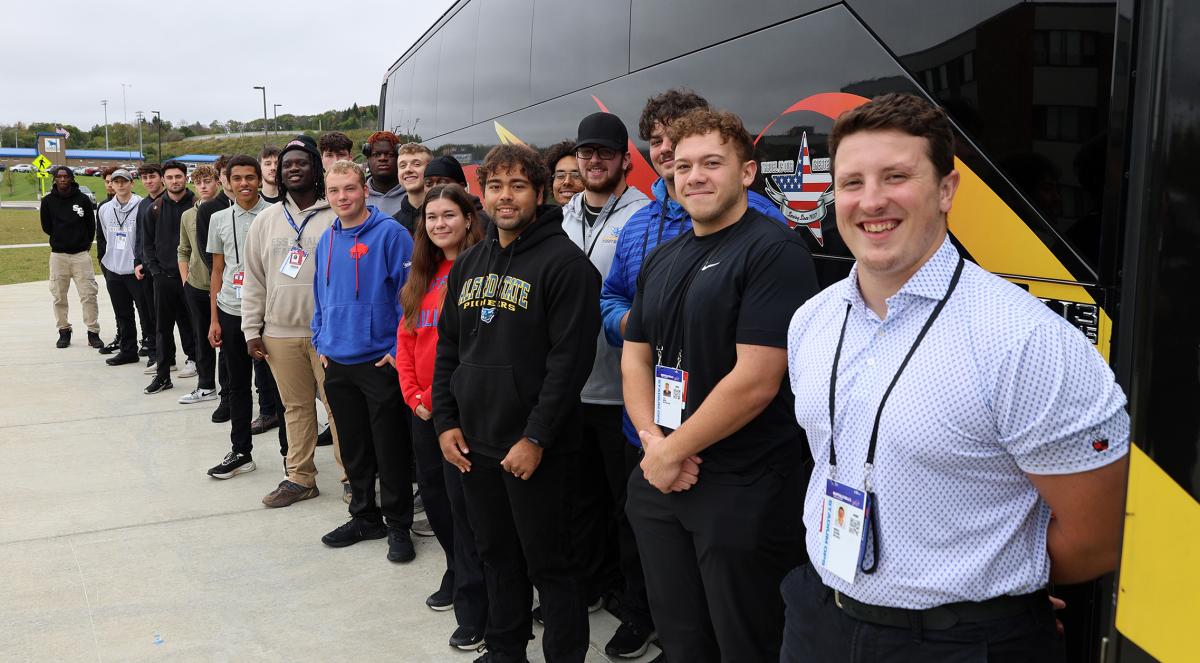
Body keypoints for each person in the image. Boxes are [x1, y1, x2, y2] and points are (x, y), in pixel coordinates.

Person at [781, 93, 1130, 663]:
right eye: (851, 182)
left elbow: (1097, 538)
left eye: (896, 176)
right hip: (821, 617)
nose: (871, 201)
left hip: (962, 642)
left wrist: (996, 587)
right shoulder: (811, 322)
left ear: (947, 190)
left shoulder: (1023, 337)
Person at [621, 108, 818, 662]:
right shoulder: (663, 257)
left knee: (746, 641)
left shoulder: (774, 251)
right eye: (683, 166)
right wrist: (651, 442)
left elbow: (757, 380)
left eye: (712, 163)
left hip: (742, 486)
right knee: (682, 640)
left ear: (748, 173)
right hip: (662, 476)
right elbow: (636, 355)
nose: (695, 176)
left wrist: (671, 450)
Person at [432, 144, 599, 663]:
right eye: (496, 186)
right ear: (482, 193)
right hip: (474, 444)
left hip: (537, 450)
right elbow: (450, 349)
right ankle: (505, 649)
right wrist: (445, 422)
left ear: (540, 192)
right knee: (495, 555)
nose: (506, 197)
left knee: (551, 564)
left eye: (518, 186)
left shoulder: (566, 265)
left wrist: (535, 438)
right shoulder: (471, 263)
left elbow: (568, 365)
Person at [560, 112, 657, 658]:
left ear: (625, 158)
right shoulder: (562, 216)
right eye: (585, 152)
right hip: (573, 390)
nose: (593, 161)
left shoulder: (647, 216)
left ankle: (637, 609)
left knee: (631, 512)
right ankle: (595, 584)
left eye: (604, 152)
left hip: (625, 395)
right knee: (582, 504)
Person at [396, 183, 487, 650]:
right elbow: (407, 337)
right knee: (434, 498)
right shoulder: (422, 274)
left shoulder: (476, 270)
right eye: (431, 218)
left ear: (469, 219)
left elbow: (469, 345)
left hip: (457, 408)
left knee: (465, 507)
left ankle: (476, 596)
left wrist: (433, 396)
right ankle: (455, 568)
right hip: (422, 409)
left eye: (448, 215)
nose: (439, 225)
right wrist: (413, 396)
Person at [312, 159, 415, 561]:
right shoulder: (326, 239)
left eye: (350, 189)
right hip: (336, 360)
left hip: (378, 361)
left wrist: (395, 350)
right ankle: (364, 517)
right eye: (335, 191)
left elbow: (411, 297)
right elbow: (320, 295)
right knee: (354, 448)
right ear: (327, 194)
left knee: (389, 449)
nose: (342, 197)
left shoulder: (391, 235)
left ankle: (398, 525)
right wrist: (321, 338)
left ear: (365, 189)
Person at [242, 135, 345, 508]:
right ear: (280, 174)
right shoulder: (266, 220)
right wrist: (252, 330)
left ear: (316, 168)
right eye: (287, 164)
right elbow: (253, 279)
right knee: (296, 409)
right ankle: (300, 477)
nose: (293, 168)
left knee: (338, 408)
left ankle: (352, 476)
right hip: (280, 335)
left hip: (329, 337)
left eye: (302, 162)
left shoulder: (336, 215)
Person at [205, 155, 271, 480]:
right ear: (227, 182)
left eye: (250, 177)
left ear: (259, 179)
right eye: (238, 178)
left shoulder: (275, 214)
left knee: (276, 386)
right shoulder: (218, 219)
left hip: (269, 314)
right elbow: (217, 270)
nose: (244, 183)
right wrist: (214, 318)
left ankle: (295, 460)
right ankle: (241, 451)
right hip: (231, 310)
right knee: (238, 385)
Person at [142, 160, 199, 394]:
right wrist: (156, 272)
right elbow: (147, 245)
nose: (175, 181)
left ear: (186, 178)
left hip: (193, 279)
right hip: (164, 278)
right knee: (162, 328)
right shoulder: (154, 209)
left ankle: (202, 376)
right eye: (170, 177)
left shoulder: (198, 206)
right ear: (164, 180)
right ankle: (163, 375)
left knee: (196, 326)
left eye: (179, 176)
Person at [41, 166, 103, 350]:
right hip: (58, 256)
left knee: (89, 295)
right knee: (59, 296)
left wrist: (82, 243)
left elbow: (91, 226)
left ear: (71, 178)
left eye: (65, 176)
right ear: (54, 179)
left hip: (80, 256)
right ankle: (64, 330)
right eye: (59, 177)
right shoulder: (48, 201)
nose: (62, 179)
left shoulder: (82, 199)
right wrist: (61, 238)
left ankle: (93, 332)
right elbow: (47, 227)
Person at [176, 165, 222, 405]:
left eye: (208, 181)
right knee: (201, 336)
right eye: (199, 182)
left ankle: (229, 387)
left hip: (223, 286)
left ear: (218, 182)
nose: (203, 186)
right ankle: (205, 385)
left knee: (227, 339)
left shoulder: (225, 209)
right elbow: (183, 249)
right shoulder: (188, 215)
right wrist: (186, 281)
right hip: (197, 285)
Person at [95, 168, 147, 366]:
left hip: (135, 269)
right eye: (116, 181)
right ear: (111, 184)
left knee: (145, 312)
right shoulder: (105, 209)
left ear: (131, 183)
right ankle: (128, 351)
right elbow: (105, 236)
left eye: (124, 181)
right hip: (114, 269)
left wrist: (141, 261)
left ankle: (151, 349)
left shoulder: (141, 205)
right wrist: (105, 263)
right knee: (122, 313)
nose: (120, 185)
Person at [196, 156, 234, 423]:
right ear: (222, 177)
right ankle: (227, 398)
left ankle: (268, 405)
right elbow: (210, 258)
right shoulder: (210, 209)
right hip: (227, 287)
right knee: (228, 353)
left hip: (257, 290)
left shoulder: (265, 207)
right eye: (227, 174)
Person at [133, 163, 162, 364]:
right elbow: (139, 236)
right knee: (149, 314)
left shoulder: (168, 200)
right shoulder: (142, 205)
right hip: (146, 267)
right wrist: (137, 261)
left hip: (167, 268)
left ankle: (191, 357)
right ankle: (155, 354)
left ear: (160, 177)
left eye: (152, 176)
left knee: (172, 317)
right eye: (144, 178)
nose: (149, 181)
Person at [96, 169, 124, 356]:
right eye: (107, 181)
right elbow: (101, 237)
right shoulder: (103, 207)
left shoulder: (135, 203)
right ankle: (121, 336)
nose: (110, 185)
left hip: (131, 265)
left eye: (112, 181)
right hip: (110, 263)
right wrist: (102, 260)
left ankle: (147, 340)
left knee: (142, 307)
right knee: (119, 305)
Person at [391, 142, 432, 233]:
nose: (408, 170)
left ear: (430, 169)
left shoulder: (443, 219)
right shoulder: (392, 224)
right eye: (402, 166)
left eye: (416, 164)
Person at [364, 130, 406, 219]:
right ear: (368, 159)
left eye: (390, 154)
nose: (383, 158)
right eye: (376, 154)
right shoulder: (358, 196)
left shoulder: (413, 194)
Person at [543, 140, 583, 206]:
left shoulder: (603, 215)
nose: (567, 182)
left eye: (576, 175)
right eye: (560, 175)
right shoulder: (540, 215)